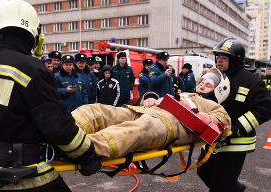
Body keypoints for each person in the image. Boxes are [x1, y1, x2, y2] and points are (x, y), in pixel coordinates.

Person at [0, 0, 101, 191]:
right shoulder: (32, 69)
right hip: (27, 175)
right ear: (34, 35)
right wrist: (87, 154)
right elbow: (57, 126)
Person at [71, 68, 231, 159]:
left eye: (208, 85)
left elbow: (220, 127)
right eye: (202, 82)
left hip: (168, 124)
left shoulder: (215, 108)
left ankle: (83, 148)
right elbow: (159, 99)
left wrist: (180, 108)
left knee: (132, 131)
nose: (202, 86)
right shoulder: (186, 94)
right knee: (97, 110)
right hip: (144, 111)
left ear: (218, 92)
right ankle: (65, 131)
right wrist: (150, 99)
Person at [197, 38, 271, 192]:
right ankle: (235, 189)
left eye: (224, 58)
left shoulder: (251, 81)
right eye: (218, 57)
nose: (219, 61)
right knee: (203, 172)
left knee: (220, 186)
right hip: (213, 137)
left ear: (236, 60)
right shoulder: (215, 77)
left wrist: (236, 127)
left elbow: (266, 108)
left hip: (236, 142)